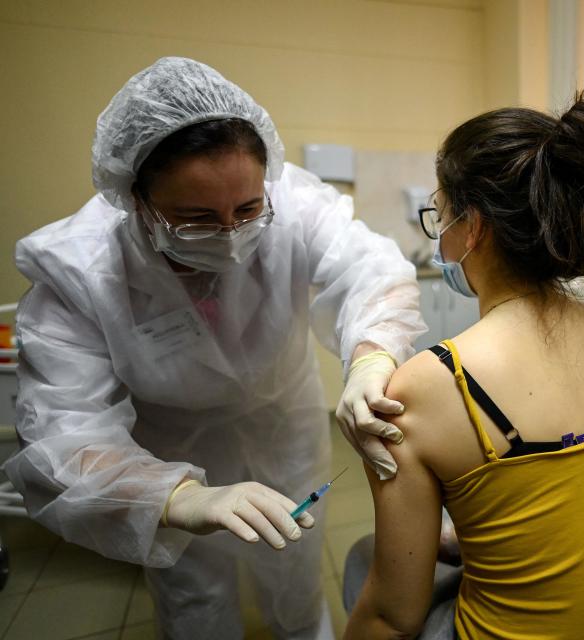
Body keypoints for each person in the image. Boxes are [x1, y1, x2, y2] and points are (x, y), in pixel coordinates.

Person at [4, 57, 425, 639]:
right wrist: (178, 499)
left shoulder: (294, 205)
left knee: (296, 574)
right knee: (195, 594)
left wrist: (373, 357)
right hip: (170, 446)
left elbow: (372, 272)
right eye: (195, 218)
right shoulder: (81, 268)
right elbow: (62, 432)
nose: (231, 235)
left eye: (247, 210)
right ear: (135, 199)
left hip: (285, 425)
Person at [342, 92, 584, 639]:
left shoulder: (429, 386)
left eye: (442, 214)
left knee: (361, 564)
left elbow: (391, 617)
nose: (440, 234)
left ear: (472, 228)